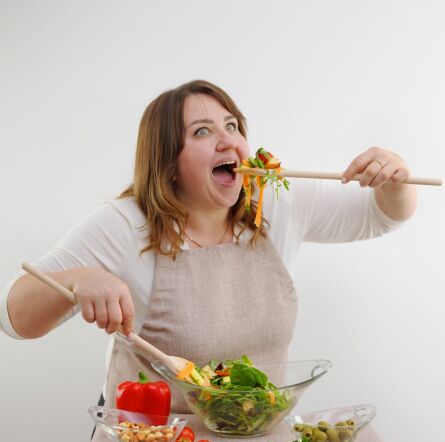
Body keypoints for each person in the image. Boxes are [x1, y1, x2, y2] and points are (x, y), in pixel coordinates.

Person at [0, 80, 417, 412]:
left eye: (232, 126)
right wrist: (78, 279)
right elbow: (13, 318)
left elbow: (381, 216)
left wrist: (394, 175)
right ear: (168, 163)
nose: (228, 141)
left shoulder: (276, 200)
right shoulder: (124, 224)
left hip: (253, 438)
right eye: (202, 131)